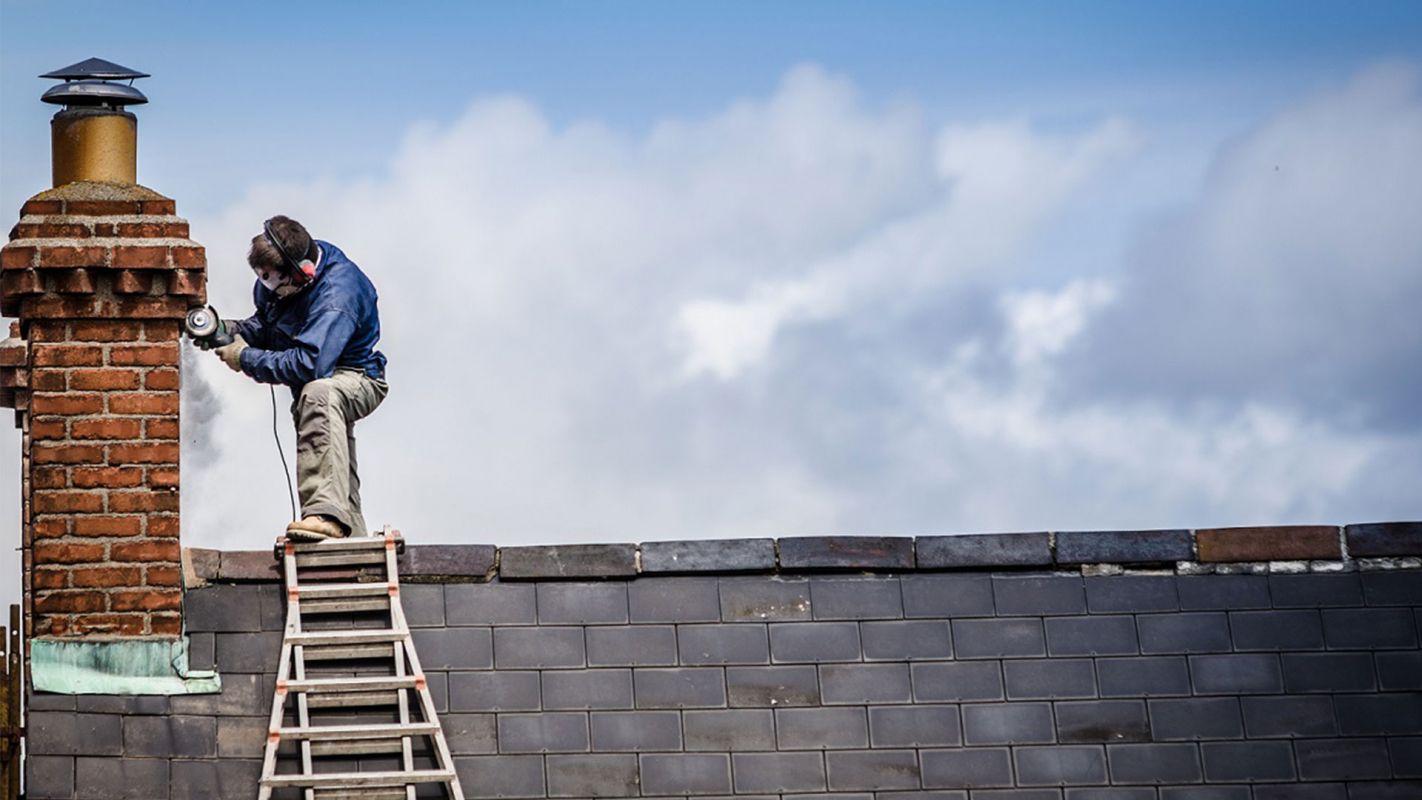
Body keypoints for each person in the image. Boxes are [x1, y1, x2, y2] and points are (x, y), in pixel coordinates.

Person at [211, 215, 388, 540]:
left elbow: (310, 364)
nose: (268, 289)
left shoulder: (339, 295)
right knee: (333, 461)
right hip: (318, 384)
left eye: (273, 281)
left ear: (303, 273)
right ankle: (352, 539)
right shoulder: (279, 281)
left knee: (320, 394)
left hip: (357, 376)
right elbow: (269, 325)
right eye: (262, 279)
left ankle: (324, 517)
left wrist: (245, 357)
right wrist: (231, 331)